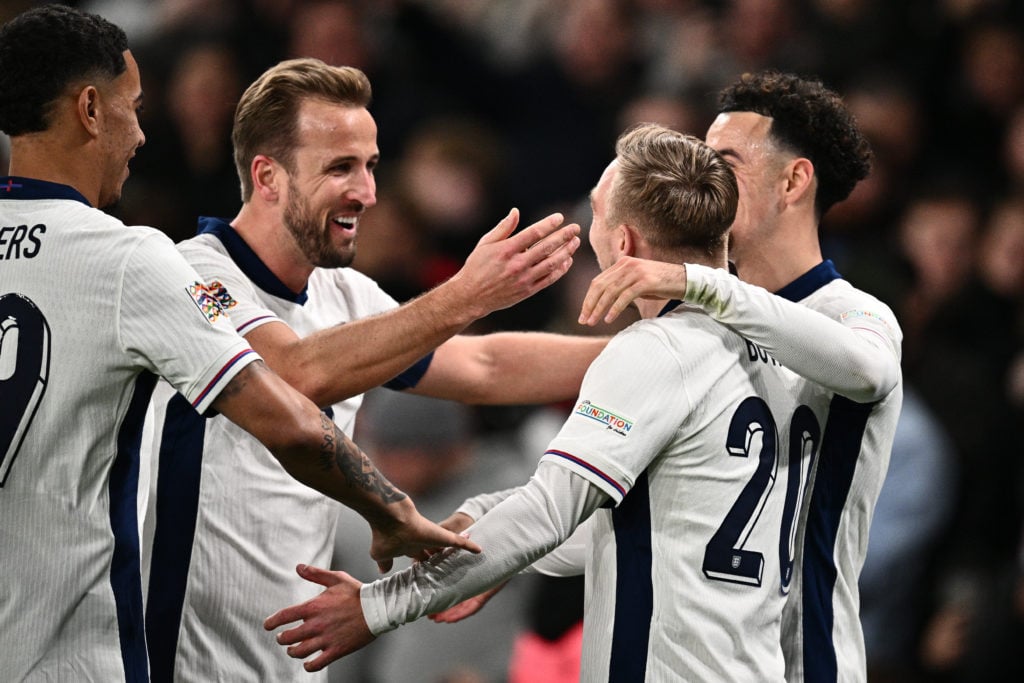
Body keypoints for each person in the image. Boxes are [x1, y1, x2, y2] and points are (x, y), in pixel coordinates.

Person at [0, 6, 475, 682]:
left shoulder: (338, 293)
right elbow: (288, 413)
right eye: (133, 106)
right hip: (73, 658)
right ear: (89, 109)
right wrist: (392, 511)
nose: (140, 132)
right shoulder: (137, 260)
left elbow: (480, 363)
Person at [265, 123, 821, 681]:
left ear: (623, 244)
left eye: (598, 215)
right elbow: (648, 529)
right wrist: (484, 529)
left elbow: (549, 512)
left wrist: (376, 605)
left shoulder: (654, 353)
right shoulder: (773, 354)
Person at [142, 57, 605, 682]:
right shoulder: (187, 275)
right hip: (174, 656)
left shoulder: (347, 294)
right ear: (267, 176)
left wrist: (654, 354)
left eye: (370, 165)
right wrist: (464, 296)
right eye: (340, 167)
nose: (367, 191)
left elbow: (485, 364)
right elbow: (289, 374)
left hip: (289, 658)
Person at [572, 70, 904, 682]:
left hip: (817, 659)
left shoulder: (856, 314)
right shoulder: (705, 328)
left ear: (794, 180)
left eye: (726, 160)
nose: (707, 180)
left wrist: (701, 282)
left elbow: (866, 369)